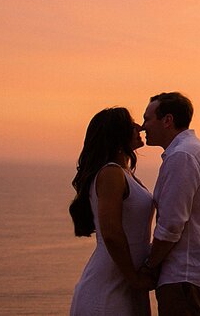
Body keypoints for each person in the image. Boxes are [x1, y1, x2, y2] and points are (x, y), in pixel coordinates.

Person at [140, 92, 200, 315]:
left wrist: (150, 265)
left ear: (167, 120)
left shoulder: (182, 156)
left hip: (185, 275)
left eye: (147, 119)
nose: (143, 127)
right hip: (193, 275)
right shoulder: (192, 151)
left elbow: (170, 225)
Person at [70, 107, 155, 316]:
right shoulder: (111, 174)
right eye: (131, 124)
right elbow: (111, 232)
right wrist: (134, 279)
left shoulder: (125, 174)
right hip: (109, 289)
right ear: (117, 135)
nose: (139, 127)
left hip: (125, 283)